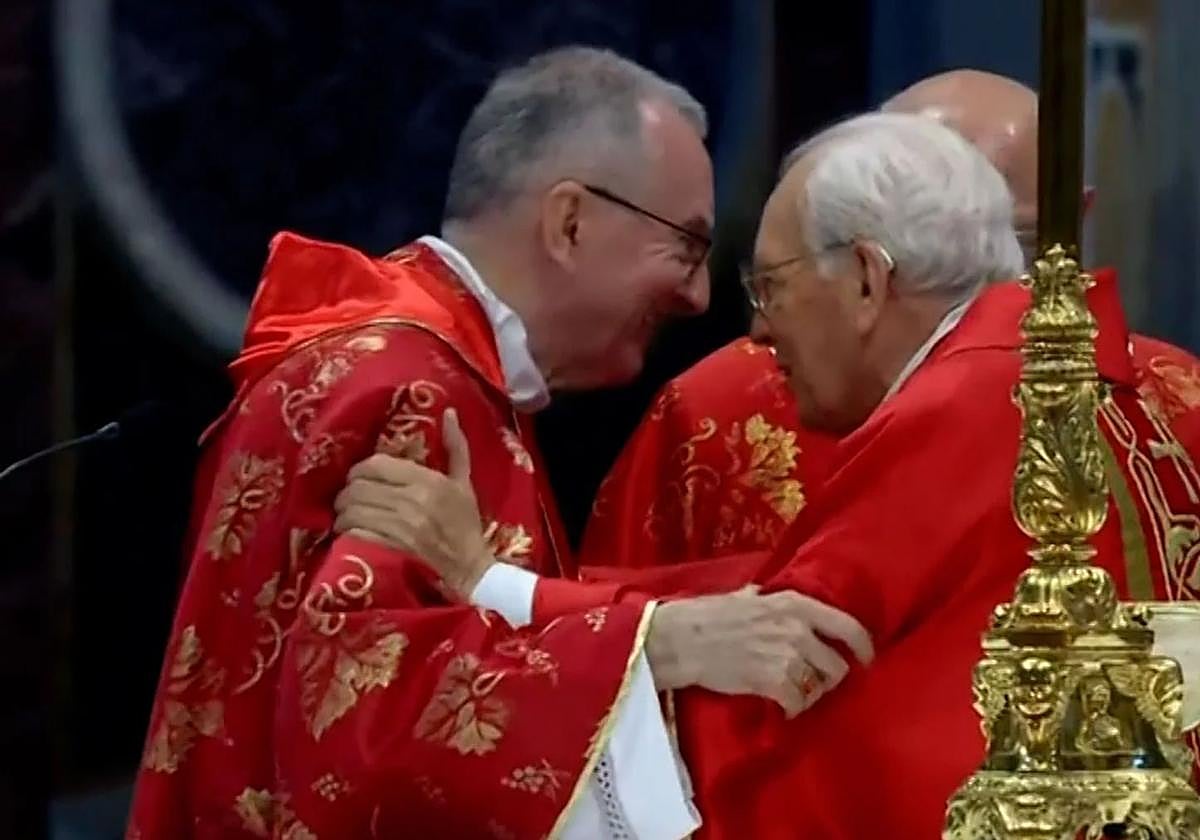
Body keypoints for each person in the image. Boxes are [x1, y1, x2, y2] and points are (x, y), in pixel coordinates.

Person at [335, 111, 1200, 836]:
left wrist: (490, 586)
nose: (756, 329)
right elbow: (782, 601)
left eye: (771, 284)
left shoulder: (963, 408)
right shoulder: (1101, 380)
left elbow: (774, 683)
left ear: (866, 277)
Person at [126, 46, 872, 840]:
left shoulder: (400, 353)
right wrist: (656, 645)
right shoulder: (415, 391)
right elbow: (365, 728)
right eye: (685, 246)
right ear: (570, 222)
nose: (696, 295)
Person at [580, 69, 1200, 581]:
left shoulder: (1168, 395)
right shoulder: (718, 406)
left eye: (1013, 242)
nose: (988, 282)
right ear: (872, 267)